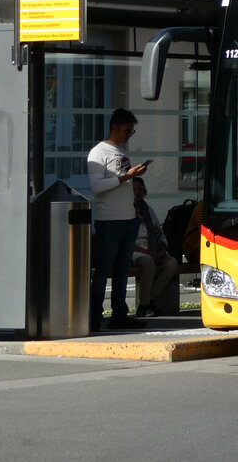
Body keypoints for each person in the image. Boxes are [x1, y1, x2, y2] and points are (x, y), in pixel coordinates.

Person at [87, 108, 149, 330]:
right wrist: (127, 176)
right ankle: (94, 316)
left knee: (122, 270)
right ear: (115, 127)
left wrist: (132, 178)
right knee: (103, 270)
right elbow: (97, 186)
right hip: (110, 220)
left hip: (128, 218)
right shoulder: (98, 153)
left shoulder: (121, 151)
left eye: (132, 131)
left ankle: (119, 315)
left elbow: (121, 183)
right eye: (127, 131)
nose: (129, 135)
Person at [131, 178, 179, 318]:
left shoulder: (148, 210)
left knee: (172, 263)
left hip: (153, 249)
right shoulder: (124, 211)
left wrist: (162, 250)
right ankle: (144, 304)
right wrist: (149, 253)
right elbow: (126, 241)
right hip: (134, 251)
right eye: (134, 190)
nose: (137, 192)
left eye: (140, 189)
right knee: (148, 262)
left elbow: (160, 233)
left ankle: (148, 301)